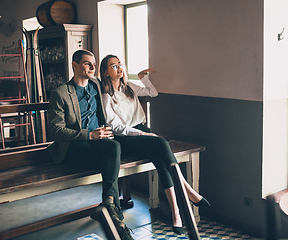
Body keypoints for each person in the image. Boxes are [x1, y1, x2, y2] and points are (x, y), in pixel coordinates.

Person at [99, 54, 210, 235]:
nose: (119, 68)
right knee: (160, 143)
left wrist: (143, 78)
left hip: (142, 132)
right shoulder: (106, 96)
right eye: (113, 66)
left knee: (160, 156)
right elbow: (116, 128)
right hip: (125, 138)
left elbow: (152, 93)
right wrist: (141, 133)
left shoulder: (129, 87)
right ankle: (187, 190)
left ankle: (176, 214)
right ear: (105, 72)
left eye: (120, 64)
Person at [47, 50, 133, 240]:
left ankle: (108, 203)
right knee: (109, 160)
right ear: (74, 65)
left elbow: (117, 92)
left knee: (115, 148)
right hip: (73, 146)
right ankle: (116, 217)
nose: (93, 67)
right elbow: (57, 131)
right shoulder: (60, 93)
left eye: (94, 63)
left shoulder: (95, 85)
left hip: (99, 141)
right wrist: (89, 135)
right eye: (87, 63)